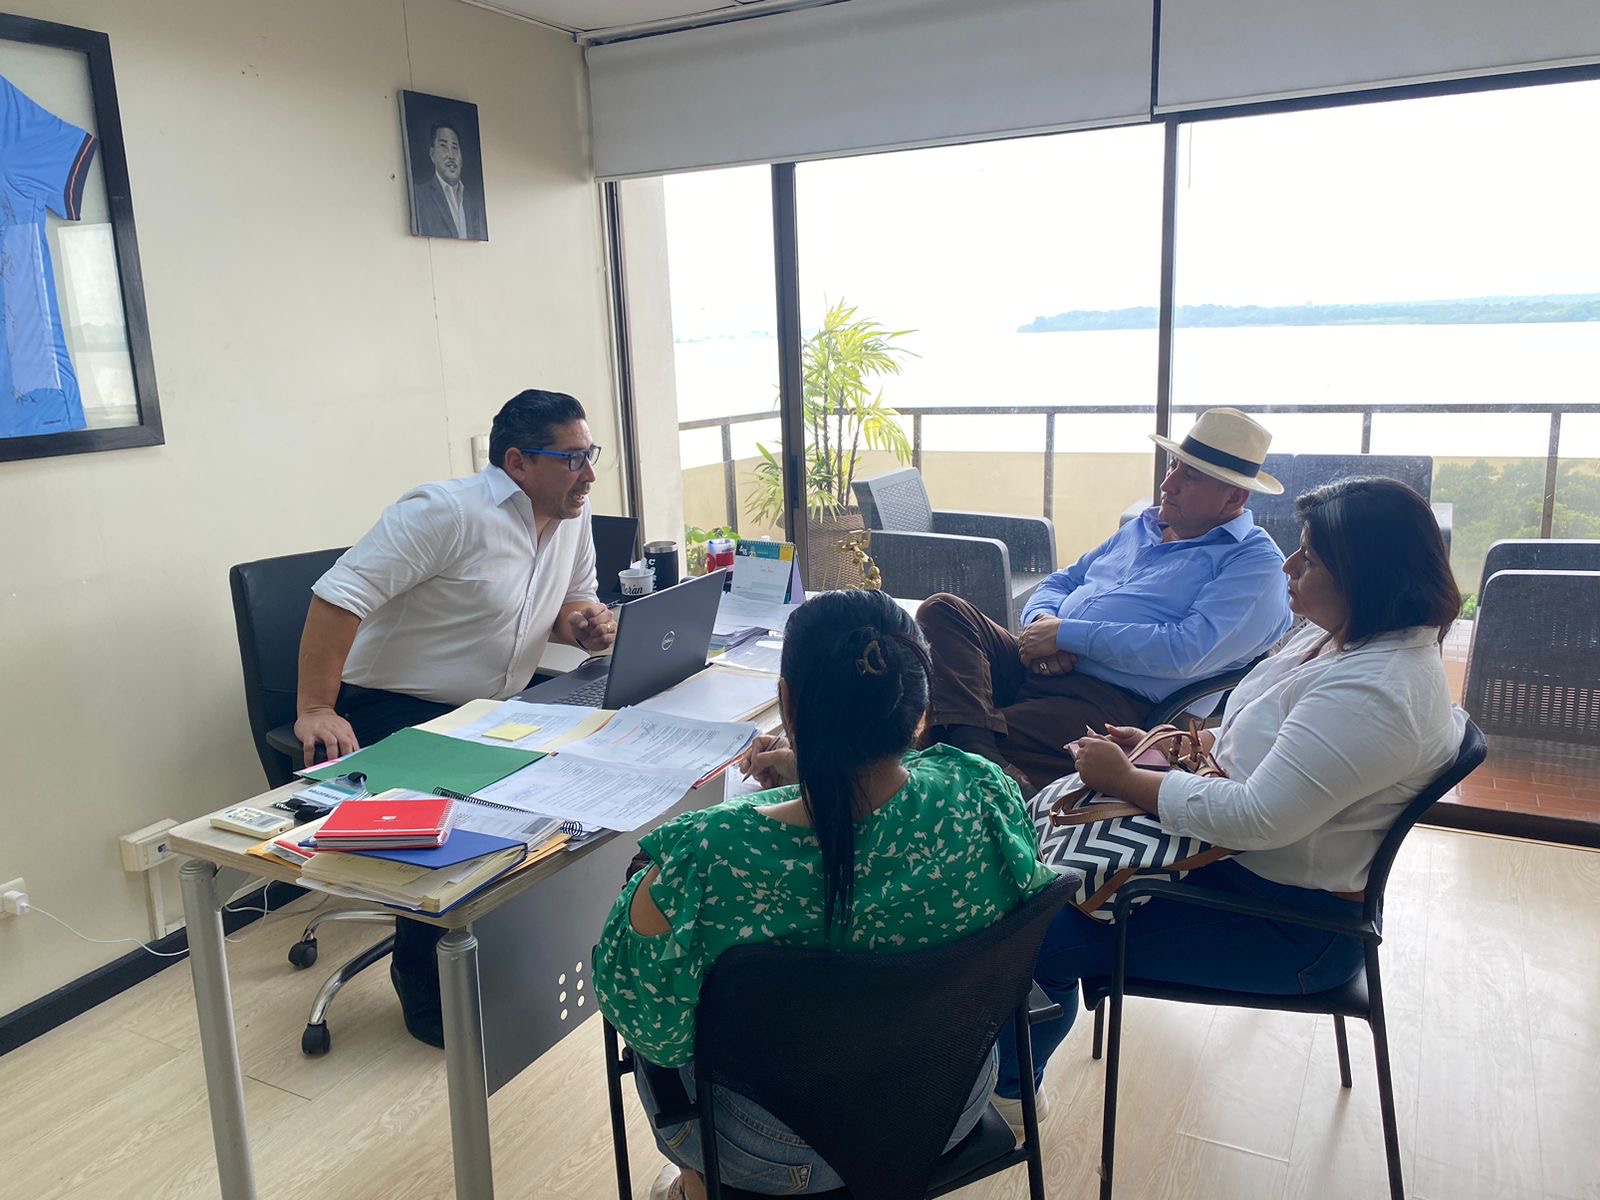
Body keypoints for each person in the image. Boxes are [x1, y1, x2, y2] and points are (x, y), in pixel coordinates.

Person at [993, 476, 1465, 1111]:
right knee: (1030, 884)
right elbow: (1260, 737)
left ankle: (1010, 1098)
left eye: (1310, 558)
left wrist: (1125, 780)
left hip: (1288, 923)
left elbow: (1257, 818)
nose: (1290, 566)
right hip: (1233, 867)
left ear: (1367, 576)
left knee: (1030, 933)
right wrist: (1164, 746)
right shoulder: (1341, 638)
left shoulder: (1377, 693)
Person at [594, 589, 1057, 1199]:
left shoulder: (708, 855)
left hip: (772, 1149)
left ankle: (694, 1185)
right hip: (947, 1108)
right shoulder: (982, 792)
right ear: (921, 713)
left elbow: (653, 1029)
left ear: (787, 703)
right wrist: (814, 774)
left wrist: (805, 779)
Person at [295, 388, 615, 1045]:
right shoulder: (444, 512)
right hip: (394, 705)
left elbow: (569, 598)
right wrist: (315, 708)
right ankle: (430, 1000)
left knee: (573, 788)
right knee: (462, 827)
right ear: (518, 462)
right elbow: (337, 598)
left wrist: (580, 623)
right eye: (572, 458)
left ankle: (513, 964)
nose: (588, 473)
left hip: (491, 708)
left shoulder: (570, 514)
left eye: (591, 455)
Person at [918, 407, 1294, 792]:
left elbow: (1187, 650)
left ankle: (970, 748)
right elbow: (1064, 579)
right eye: (1173, 467)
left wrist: (1066, 635)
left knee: (938, 733)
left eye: (1190, 477)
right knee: (943, 610)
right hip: (1040, 662)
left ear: (1234, 497)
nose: (1168, 484)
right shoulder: (1144, 527)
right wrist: (1042, 626)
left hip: (1109, 702)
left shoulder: (1255, 564)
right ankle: (981, 755)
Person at [413, 120, 486, 240]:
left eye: (455, 148)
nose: (451, 155)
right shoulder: (420, 197)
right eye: (444, 146)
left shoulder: (474, 202)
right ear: (432, 154)